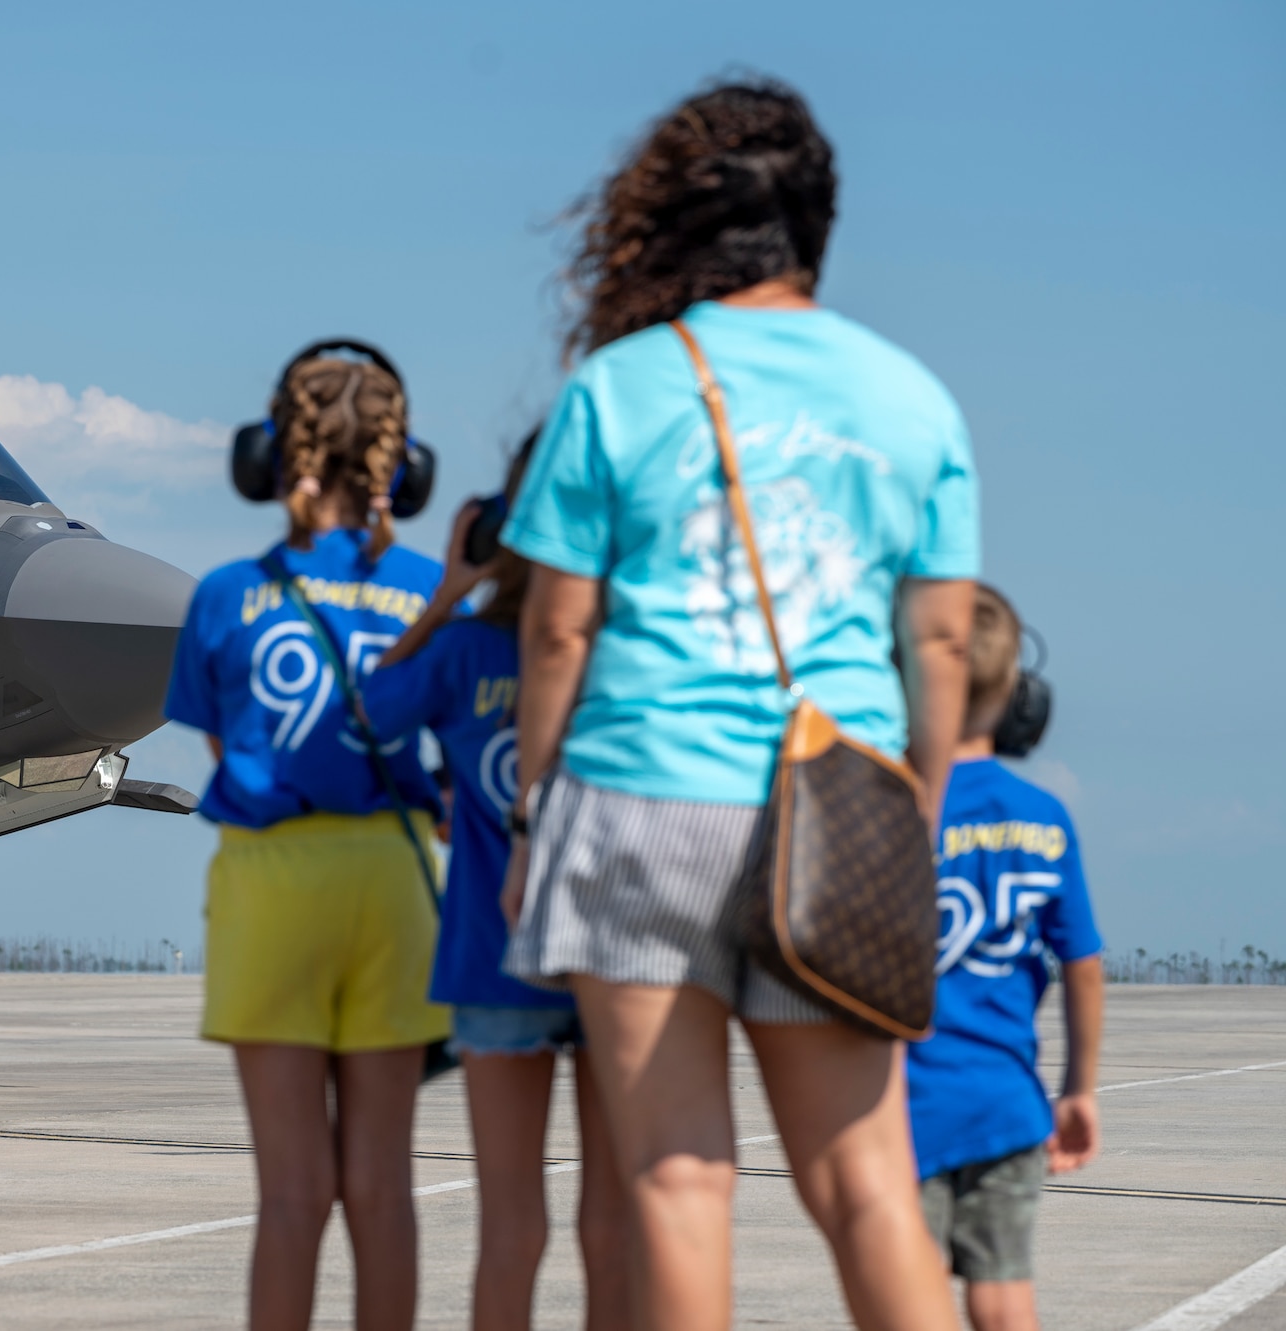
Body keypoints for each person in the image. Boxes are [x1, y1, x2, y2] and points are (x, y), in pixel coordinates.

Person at [500, 79, 977, 1327]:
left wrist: (532, 807)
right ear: (816, 224)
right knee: (864, 1178)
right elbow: (936, 633)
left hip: (642, 790)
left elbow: (555, 627)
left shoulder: (619, 386)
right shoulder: (912, 397)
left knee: (676, 1173)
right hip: (835, 801)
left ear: (674, 224)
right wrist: (918, 801)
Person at [308, 434, 627, 1331]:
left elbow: (362, 714)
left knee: (511, 1228)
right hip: (611, 949)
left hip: (496, 955)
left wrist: (450, 592)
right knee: (613, 1223)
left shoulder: (459, 652)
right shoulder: (626, 646)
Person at [163, 347, 450, 1331]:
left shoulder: (222, 596)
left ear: (269, 456)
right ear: (400, 463)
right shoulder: (427, 591)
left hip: (272, 883)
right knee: (382, 1187)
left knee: (290, 1195)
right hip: (394, 882)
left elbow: (219, 737)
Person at [908, 585, 1103, 1331]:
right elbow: (1082, 962)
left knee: (912, 1288)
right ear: (1020, 700)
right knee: (1003, 1290)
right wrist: (1077, 1088)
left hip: (904, 1104)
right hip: (1009, 1104)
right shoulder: (1045, 819)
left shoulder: (896, 803)